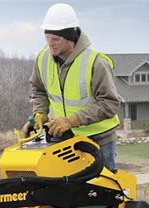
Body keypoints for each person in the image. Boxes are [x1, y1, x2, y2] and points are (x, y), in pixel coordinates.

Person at [23, 3, 121, 171]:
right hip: (65, 142)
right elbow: (38, 89)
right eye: (47, 38)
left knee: (103, 193)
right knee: (70, 194)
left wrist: (72, 121)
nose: (50, 44)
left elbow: (110, 104)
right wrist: (40, 115)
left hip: (99, 141)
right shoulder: (43, 58)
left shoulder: (96, 63)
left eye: (55, 39)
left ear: (71, 39)